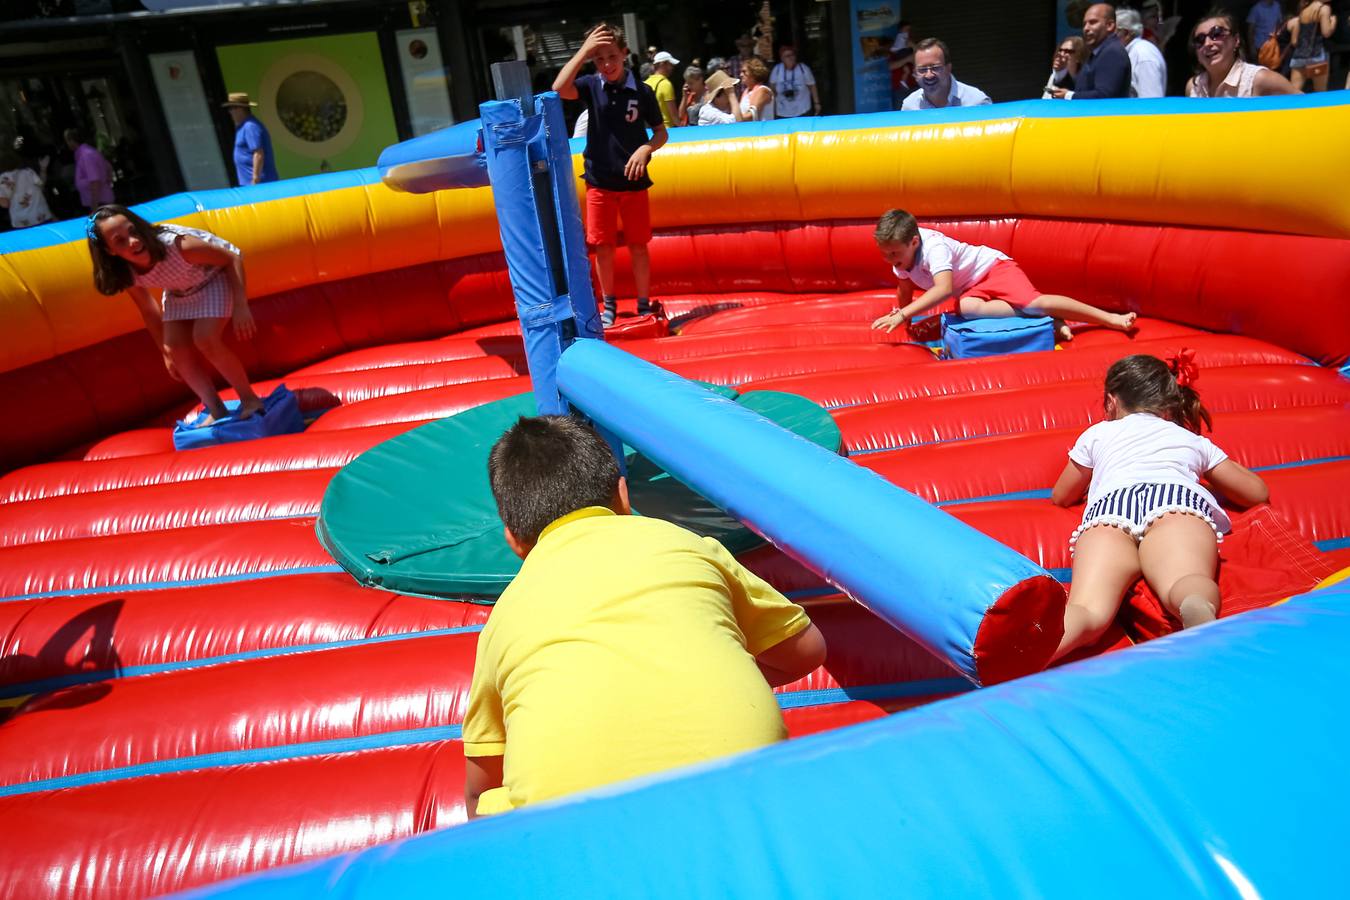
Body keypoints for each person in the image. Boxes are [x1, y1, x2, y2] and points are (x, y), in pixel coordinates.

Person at [463, 415, 827, 817]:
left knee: (487, 805)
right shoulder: (684, 543)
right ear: (622, 494)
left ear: (513, 541)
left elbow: (480, 785)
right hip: (744, 794)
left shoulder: (504, 616)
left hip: (575, 830)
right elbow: (808, 650)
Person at [1049, 353, 1269, 662]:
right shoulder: (1188, 439)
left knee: (1088, 610)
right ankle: (1195, 604)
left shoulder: (1098, 433)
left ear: (1111, 402)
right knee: (1183, 582)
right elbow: (1256, 492)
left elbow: (1062, 495)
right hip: (1174, 502)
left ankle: (1030, 660)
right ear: (1169, 403)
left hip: (1111, 509)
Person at [86, 204, 264, 425]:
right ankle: (215, 408)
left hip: (213, 277)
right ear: (110, 251)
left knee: (205, 338)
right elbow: (148, 310)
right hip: (179, 290)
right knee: (175, 349)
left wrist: (240, 306)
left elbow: (231, 259)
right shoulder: (125, 272)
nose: (133, 240)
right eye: (120, 240)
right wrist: (165, 352)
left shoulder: (178, 245)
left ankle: (250, 399)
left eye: (133, 230)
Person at [869, 209, 1136, 342]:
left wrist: (903, 314)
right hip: (972, 288)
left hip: (993, 268)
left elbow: (943, 288)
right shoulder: (902, 258)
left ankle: (1111, 319)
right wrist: (904, 320)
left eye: (893, 254)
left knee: (1033, 303)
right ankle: (1048, 320)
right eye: (885, 255)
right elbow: (904, 288)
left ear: (914, 242)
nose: (890, 260)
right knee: (967, 308)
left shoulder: (934, 248)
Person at [553, 23, 668, 328]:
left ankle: (643, 303)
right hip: (600, 181)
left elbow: (661, 133)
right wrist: (583, 51)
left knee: (638, 244)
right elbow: (558, 88)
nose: (606, 64)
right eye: (599, 59)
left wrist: (646, 149)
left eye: (612, 57)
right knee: (602, 245)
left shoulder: (642, 91)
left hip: (633, 182)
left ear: (625, 54)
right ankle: (610, 305)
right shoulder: (592, 85)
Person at [1185, 11, 1299, 97]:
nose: (1207, 43)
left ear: (1236, 40)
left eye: (1217, 33)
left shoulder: (1260, 80)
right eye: (1199, 40)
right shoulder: (1193, 87)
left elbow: (1305, 106)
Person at [1050, 3, 1131, 99]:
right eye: (1084, 24)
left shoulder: (1112, 52)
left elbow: (1104, 95)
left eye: (1093, 22)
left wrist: (1068, 95)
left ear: (1110, 25)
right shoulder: (1098, 52)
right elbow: (1085, 87)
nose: (1086, 28)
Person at [901, 38, 992, 110]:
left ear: (948, 69)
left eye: (935, 68)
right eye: (922, 69)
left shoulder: (977, 102)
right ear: (915, 73)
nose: (929, 75)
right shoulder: (910, 106)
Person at [222, 92, 279, 187]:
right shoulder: (242, 126)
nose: (230, 112)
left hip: (261, 183)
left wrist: (255, 179)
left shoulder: (250, 126)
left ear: (241, 109)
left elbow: (258, 153)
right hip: (249, 183)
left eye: (232, 108)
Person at [0, 143, 54, 229]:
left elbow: (4, 204)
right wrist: (43, 169)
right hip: (41, 216)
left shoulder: (3, 179)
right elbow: (41, 187)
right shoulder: (28, 172)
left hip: (23, 222)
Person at [1287, 0, 1337, 91]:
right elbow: (1326, 33)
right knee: (1320, 93)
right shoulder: (1324, 9)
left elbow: (1295, 40)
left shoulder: (1303, 10)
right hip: (1317, 56)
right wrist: (1333, 22)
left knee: (1294, 92)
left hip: (1299, 55)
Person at [1116, 8, 1168, 97]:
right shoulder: (1129, 53)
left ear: (1126, 33)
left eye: (1112, 32)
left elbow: (1151, 101)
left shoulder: (1143, 55)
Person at [65, 128, 115, 211]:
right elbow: (109, 167)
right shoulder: (87, 152)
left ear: (72, 141)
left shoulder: (86, 155)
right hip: (100, 200)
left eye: (67, 141)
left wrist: (94, 206)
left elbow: (95, 181)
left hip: (100, 203)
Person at [770, 45, 820, 118]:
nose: (791, 58)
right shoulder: (777, 70)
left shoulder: (803, 68)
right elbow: (772, 89)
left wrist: (816, 103)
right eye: (787, 56)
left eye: (792, 55)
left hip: (803, 109)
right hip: (782, 111)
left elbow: (812, 86)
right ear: (782, 59)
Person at [645, 50, 681, 127]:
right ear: (663, 64)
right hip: (667, 131)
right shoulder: (666, 84)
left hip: (651, 131)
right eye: (670, 64)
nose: (672, 68)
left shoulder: (646, 83)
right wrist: (684, 130)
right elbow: (674, 116)